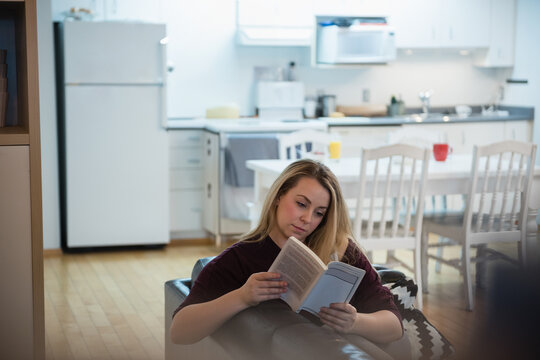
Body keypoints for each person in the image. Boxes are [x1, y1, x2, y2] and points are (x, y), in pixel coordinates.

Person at [170, 159, 403, 345]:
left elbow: (394, 325)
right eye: (301, 204)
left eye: (319, 213)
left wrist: (354, 322)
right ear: (279, 196)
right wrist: (241, 297)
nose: (307, 219)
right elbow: (179, 331)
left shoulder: (341, 250)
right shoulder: (241, 258)